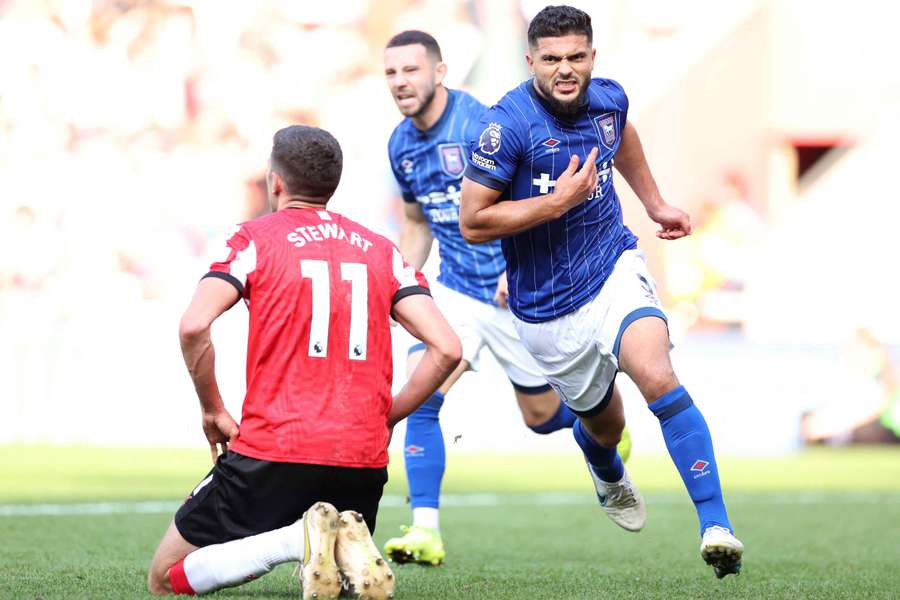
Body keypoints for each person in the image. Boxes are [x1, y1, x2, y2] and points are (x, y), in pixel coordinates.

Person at [459, 5, 743, 578]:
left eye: (577, 57)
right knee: (603, 423)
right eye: (553, 59)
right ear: (530, 60)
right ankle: (604, 464)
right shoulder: (504, 126)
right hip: (544, 309)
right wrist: (555, 203)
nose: (566, 70)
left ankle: (717, 525)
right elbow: (473, 220)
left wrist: (655, 203)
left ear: (592, 56)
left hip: (612, 264)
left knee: (657, 374)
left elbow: (624, 136)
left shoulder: (609, 99)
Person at [146, 125, 462, 599]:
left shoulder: (252, 239)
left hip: (273, 451)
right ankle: (329, 546)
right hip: (361, 463)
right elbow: (448, 348)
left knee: (167, 575)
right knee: (328, 570)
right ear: (333, 184)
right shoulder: (381, 250)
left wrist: (212, 409)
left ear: (275, 182)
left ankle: (296, 539)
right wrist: (388, 414)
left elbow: (193, 326)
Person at [382, 29, 630, 566]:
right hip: (456, 292)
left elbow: (530, 197)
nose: (401, 82)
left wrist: (515, 264)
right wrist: (400, 283)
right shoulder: (401, 144)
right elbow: (416, 221)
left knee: (541, 419)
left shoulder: (481, 123)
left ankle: (599, 421)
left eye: (411, 70)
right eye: (391, 73)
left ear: (440, 72)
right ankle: (425, 530)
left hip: (514, 289)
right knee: (422, 394)